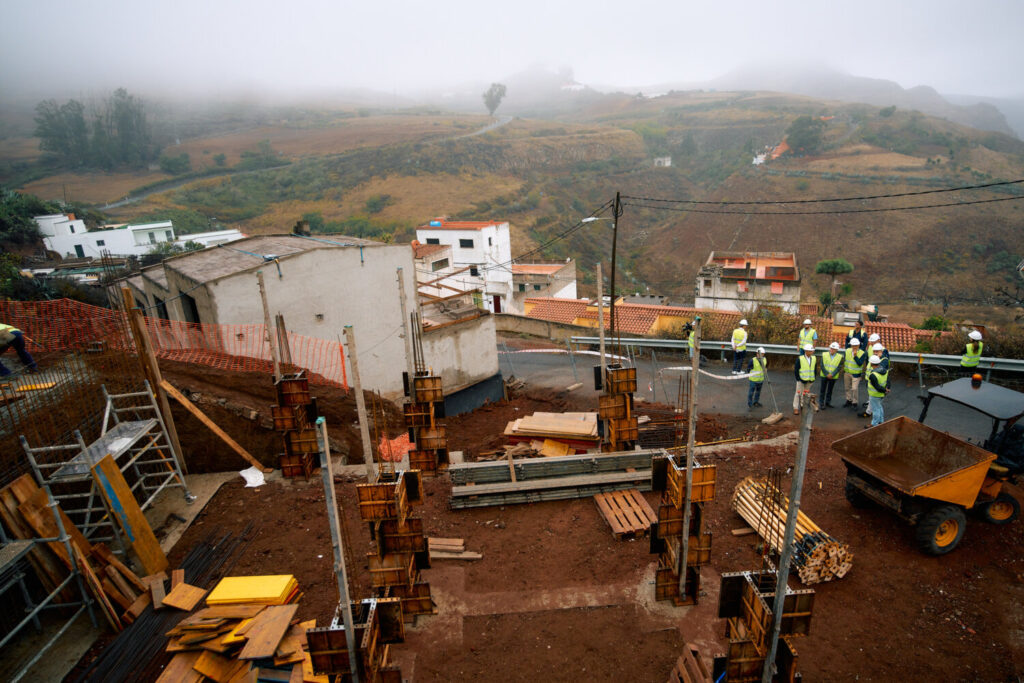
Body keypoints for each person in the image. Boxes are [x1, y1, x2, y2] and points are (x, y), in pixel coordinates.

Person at [793, 343, 817, 415]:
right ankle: (796, 408)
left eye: (812, 351)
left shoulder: (814, 358)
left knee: (805, 394)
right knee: (798, 393)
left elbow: (814, 369)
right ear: (806, 351)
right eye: (810, 351)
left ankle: (803, 406)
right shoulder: (800, 359)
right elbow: (796, 369)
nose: (812, 352)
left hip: (810, 380)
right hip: (801, 379)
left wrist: (814, 377)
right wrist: (798, 378)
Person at [842, 337, 867, 408]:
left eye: (855, 345)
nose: (854, 347)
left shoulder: (862, 353)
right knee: (847, 388)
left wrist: (855, 356)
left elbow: (860, 363)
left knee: (854, 388)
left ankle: (855, 402)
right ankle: (848, 400)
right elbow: (845, 360)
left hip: (856, 374)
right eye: (853, 345)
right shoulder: (847, 351)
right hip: (847, 372)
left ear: (859, 345)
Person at [866, 355, 890, 427]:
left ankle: (874, 424)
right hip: (882, 394)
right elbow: (888, 380)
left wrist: (885, 390)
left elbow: (877, 387)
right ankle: (881, 421)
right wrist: (887, 389)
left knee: (875, 409)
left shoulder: (873, 375)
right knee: (879, 407)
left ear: (871, 364)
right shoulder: (884, 371)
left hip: (875, 395)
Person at [819, 342, 843, 408]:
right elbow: (822, 365)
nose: (832, 350)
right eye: (831, 348)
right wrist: (827, 374)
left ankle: (827, 402)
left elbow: (839, 367)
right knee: (822, 390)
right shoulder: (824, 354)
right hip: (824, 375)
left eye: (833, 349)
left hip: (833, 376)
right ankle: (821, 403)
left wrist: (832, 374)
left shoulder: (840, 357)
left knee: (830, 390)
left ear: (837, 350)